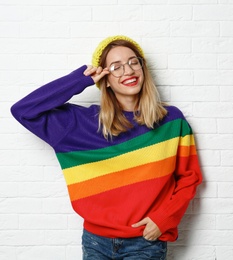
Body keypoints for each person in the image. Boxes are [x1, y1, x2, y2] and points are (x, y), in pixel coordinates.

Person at [11, 35, 202, 260]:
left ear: (143, 68)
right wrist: (80, 80)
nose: (128, 71)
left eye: (133, 62)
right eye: (116, 67)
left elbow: (189, 177)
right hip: (95, 242)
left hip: (145, 242)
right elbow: (23, 110)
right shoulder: (80, 123)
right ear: (106, 79)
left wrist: (163, 219)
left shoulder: (172, 121)